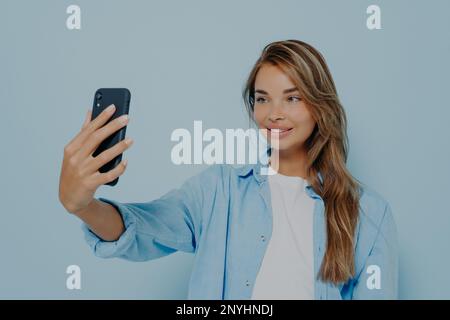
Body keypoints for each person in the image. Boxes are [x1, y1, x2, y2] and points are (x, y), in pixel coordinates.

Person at [58, 39, 398, 299]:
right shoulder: (219, 189)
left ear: (320, 104)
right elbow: (145, 229)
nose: (273, 113)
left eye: (292, 98)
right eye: (262, 98)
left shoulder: (369, 213)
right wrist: (84, 206)